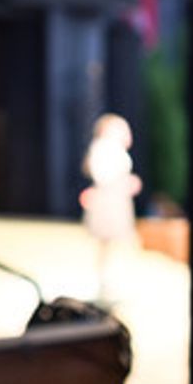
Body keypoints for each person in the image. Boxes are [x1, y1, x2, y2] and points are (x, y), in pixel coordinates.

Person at [79, 113, 142, 300]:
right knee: (108, 244)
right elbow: (104, 176)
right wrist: (125, 183)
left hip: (116, 202)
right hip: (108, 204)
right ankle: (105, 284)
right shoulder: (104, 148)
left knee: (114, 245)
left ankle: (111, 284)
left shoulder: (112, 149)